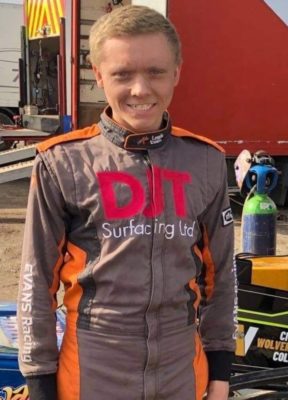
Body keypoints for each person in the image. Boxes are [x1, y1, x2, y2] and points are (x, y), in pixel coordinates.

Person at [17, 5, 237, 400]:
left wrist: (221, 371)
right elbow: (36, 282)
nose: (140, 89)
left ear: (177, 73)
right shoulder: (62, 161)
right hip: (92, 370)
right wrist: (39, 383)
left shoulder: (204, 160)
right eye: (122, 74)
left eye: (155, 71)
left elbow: (221, 277)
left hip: (181, 371)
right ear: (99, 75)